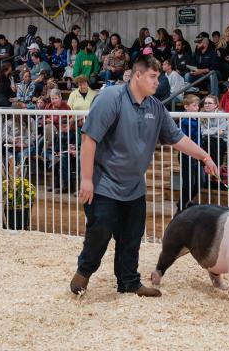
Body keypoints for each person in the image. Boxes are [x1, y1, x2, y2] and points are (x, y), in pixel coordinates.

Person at [70, 56, 217, 298]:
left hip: (135, 186)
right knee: (101, 230)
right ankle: (84, 272)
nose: (157, 82)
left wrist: (204, 156)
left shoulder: (155, 107)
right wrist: (86, 179)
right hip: (104, 183)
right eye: (153, 76)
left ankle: (129, 282)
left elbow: (176, 137)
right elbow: (89, 137)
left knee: (132, 235)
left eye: (158, 77)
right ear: (137, 75)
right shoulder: (111, 98)